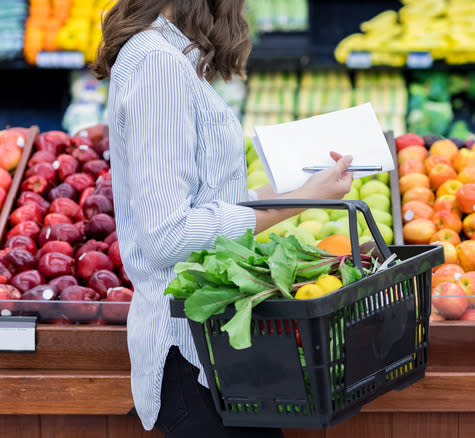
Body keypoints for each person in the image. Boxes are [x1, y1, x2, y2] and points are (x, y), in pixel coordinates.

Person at [93, 1, 354, 436]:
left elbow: (213, 200)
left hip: (219, 350)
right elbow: (168, 235)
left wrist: (308, 190)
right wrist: (300, 201)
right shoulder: (159, 66)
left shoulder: (168, 58)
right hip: (191, 355)